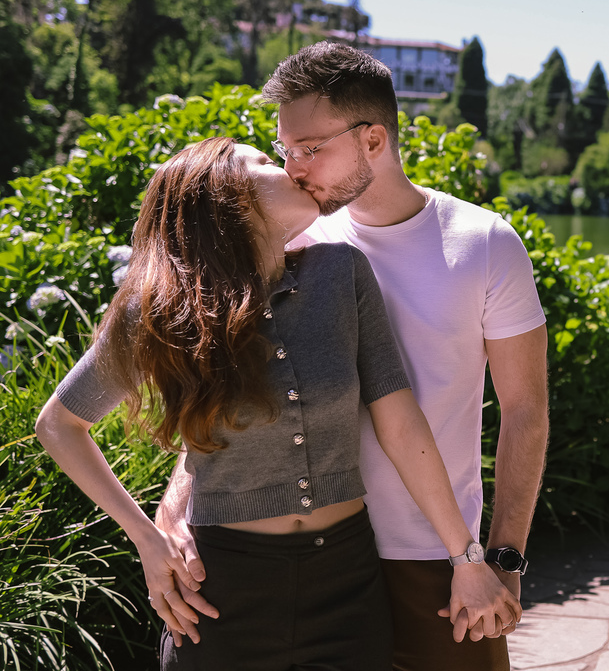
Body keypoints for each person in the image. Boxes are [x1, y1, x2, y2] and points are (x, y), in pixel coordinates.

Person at [35, 137, 519, 670]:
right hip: (220, 595)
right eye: (266, 162)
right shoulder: (161, 309)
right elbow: (59, 424)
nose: (290, 167)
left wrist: (467, 557)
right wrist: (148, 540)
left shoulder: (341, 274)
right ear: (225, 198)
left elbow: (400, 423)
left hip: (347, 584)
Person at [158, 42, 550, 670]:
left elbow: (526, 411)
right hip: (312, 562)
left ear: (373, 140)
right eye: (286, 149)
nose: (295, 168)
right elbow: (226, 393)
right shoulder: (292, 239)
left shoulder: (483, 243)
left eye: (311, 149)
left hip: (436, 561)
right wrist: (173, 510)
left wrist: (501, 558)